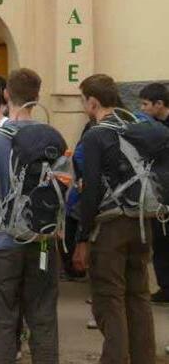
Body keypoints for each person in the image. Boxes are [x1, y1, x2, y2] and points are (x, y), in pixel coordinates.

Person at [0, 68, 59, 364]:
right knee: (43, 316)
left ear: (6, 95)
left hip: (1, 243)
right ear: (38, 97)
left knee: (2, 318)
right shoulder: (52, 137)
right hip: (42, 239)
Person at [73, 74, 156, 364]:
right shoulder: (139, 127)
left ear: (93, 102)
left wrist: (82, 237)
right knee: (139, 296)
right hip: (143, 220)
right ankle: (144, 358)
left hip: (110, 226)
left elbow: (91, 188)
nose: (83, 106)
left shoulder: (95, 135)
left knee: (109, 299)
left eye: (83, 101)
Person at [138, 82, 169, 305]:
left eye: (145, 104)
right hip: (160, 192)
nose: (142, 108)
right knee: (160, 241)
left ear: (159, 104)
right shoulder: (153, 125)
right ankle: (165, 286)